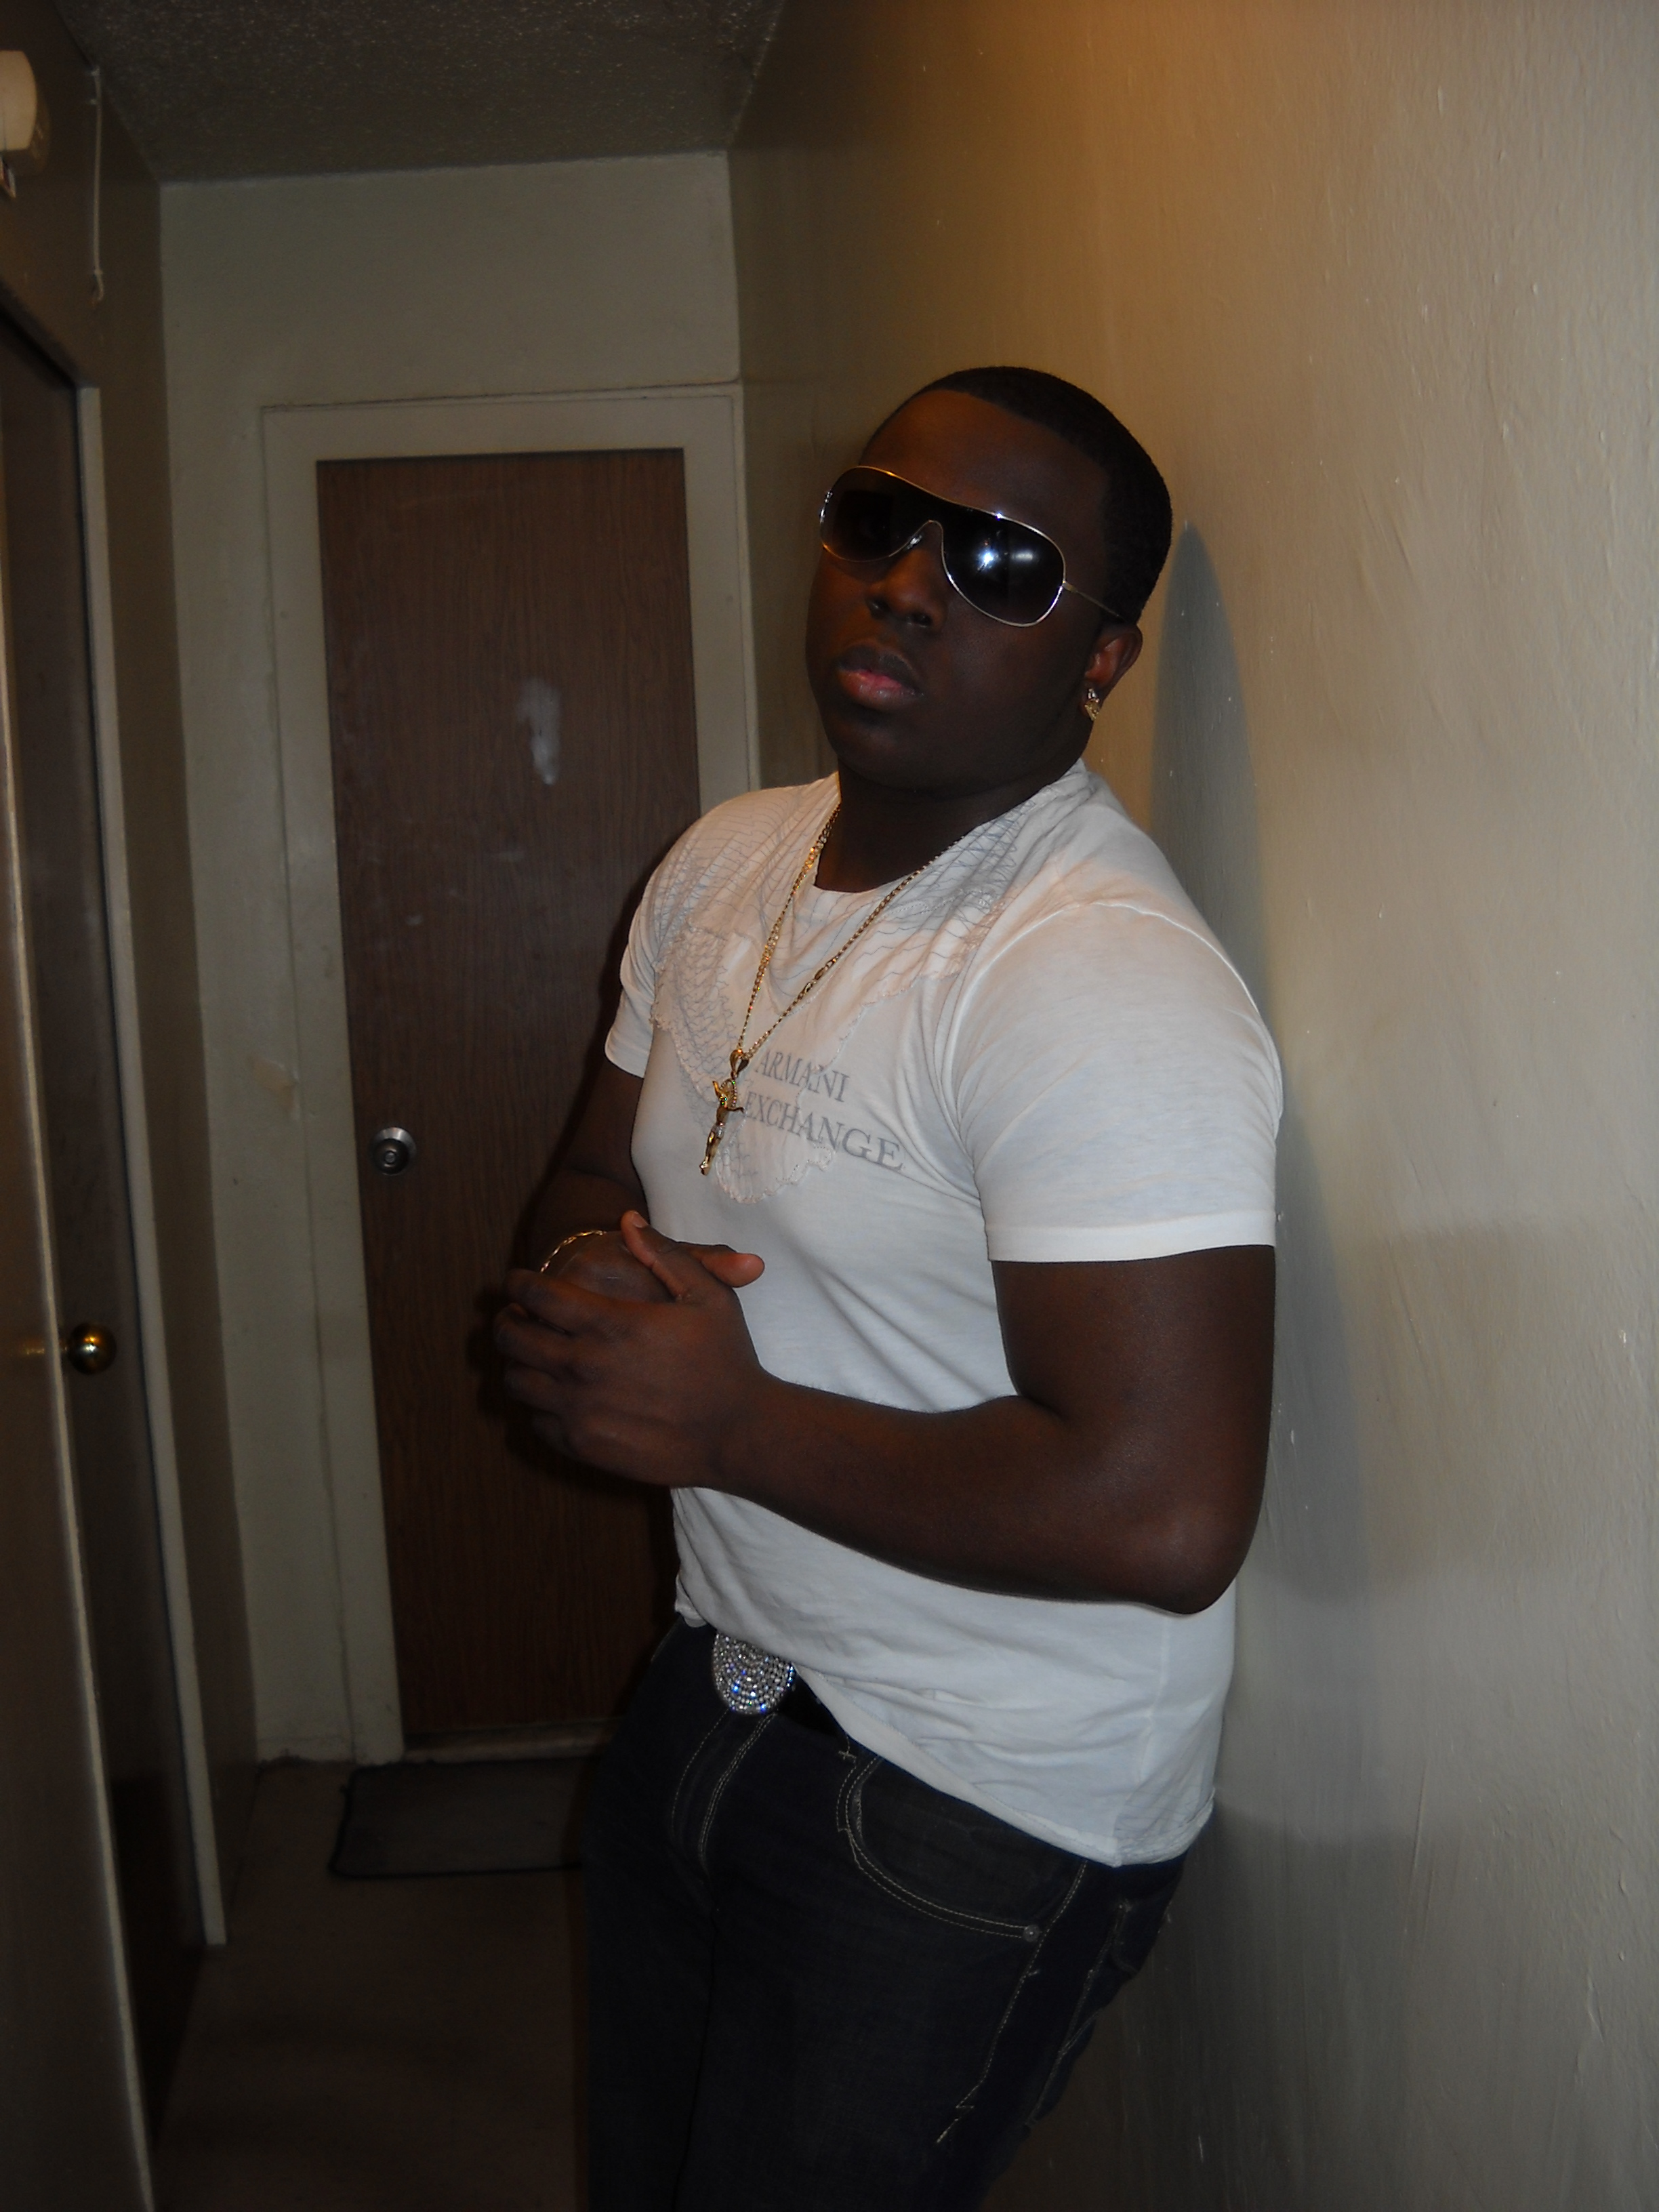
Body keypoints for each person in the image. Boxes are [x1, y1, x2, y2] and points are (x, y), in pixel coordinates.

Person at [496, 365, 1281, 2211]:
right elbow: (597, 1175)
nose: (913, 584)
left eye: (1004, 565)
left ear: (1103, 656)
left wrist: (726, 1421)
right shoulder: (726, 861)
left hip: (969, 1802)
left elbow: (1165, 1514)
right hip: (717, 1683)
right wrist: (591, 1302)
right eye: (881, 520)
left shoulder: (1095, 977)